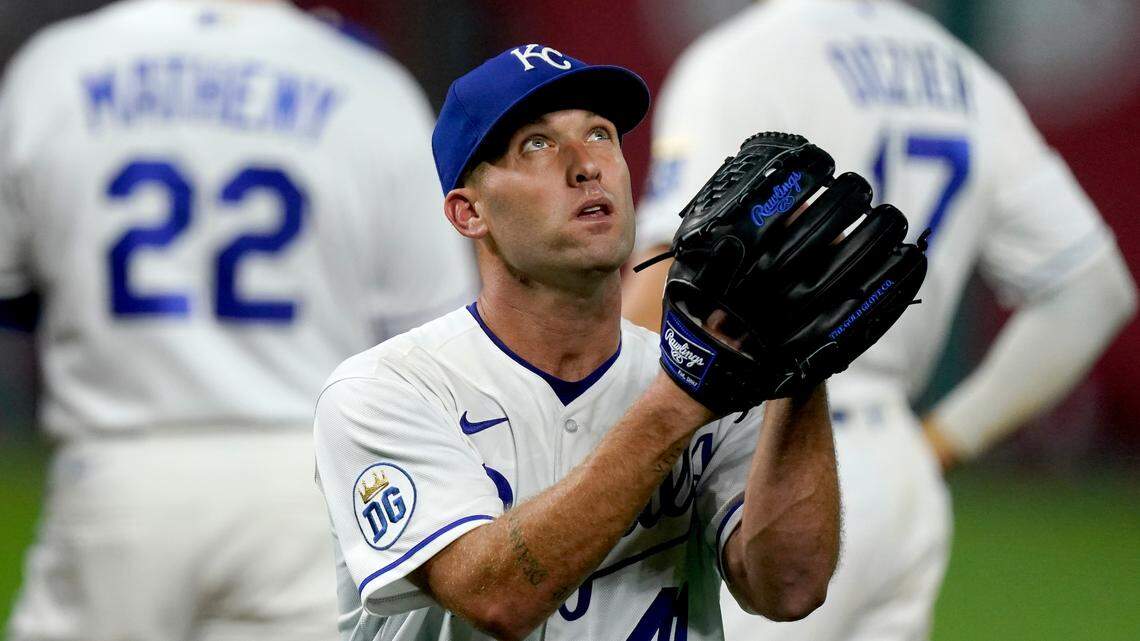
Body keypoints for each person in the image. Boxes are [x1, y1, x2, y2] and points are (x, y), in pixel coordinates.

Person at [623, 1, 1137, 640]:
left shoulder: (743, 58)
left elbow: (667, 284)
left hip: (764, 468)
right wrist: (942, 441)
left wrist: (598, 444)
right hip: (898, 472)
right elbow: (1093, 287)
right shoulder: (962, 74)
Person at [312, 44, 845, 641]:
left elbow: (790, 588)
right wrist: (682, 397)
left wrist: (802, 374)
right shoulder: (385, 391)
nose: (585, 164)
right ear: (468, 214)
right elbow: (497, 600)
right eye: (535, 145)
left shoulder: (707, 376)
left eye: (599, 134)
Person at [0, 1, 475, 639]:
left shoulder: (56, 68)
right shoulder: (367, 83)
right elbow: (435, 331)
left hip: (119, 467)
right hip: (309, 477)